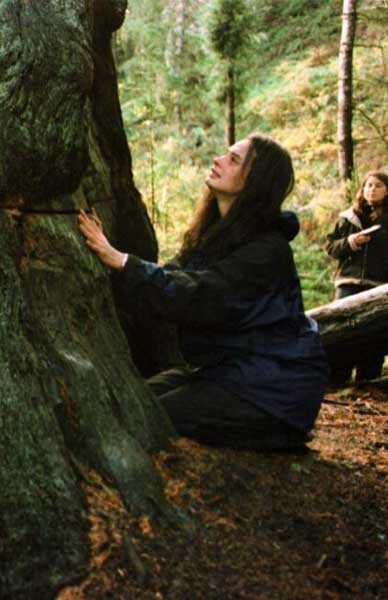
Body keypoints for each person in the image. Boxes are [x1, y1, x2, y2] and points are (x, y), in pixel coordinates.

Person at [79, 133, 328, 450]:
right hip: (230, 372)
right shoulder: (217, 235)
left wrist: (121, 261)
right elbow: (173, 276)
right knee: (135, 397)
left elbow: (200, 296)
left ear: (256, 182)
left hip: (273, 389)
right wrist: (118, 266)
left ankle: (279, 433)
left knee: (147, 415)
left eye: (233, 159)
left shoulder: (267, 250)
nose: (218, 160)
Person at [324, 170, 388, 383]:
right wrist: (351, 242)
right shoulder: (348, 217)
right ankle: (336, 382)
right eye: (368, 185)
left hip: (379, 286)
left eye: (378, 185)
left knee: (374, 338)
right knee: (340, 332)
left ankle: (367, 382)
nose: (372, 189)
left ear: (387, 190)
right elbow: (330, 247)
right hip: (348, 282)